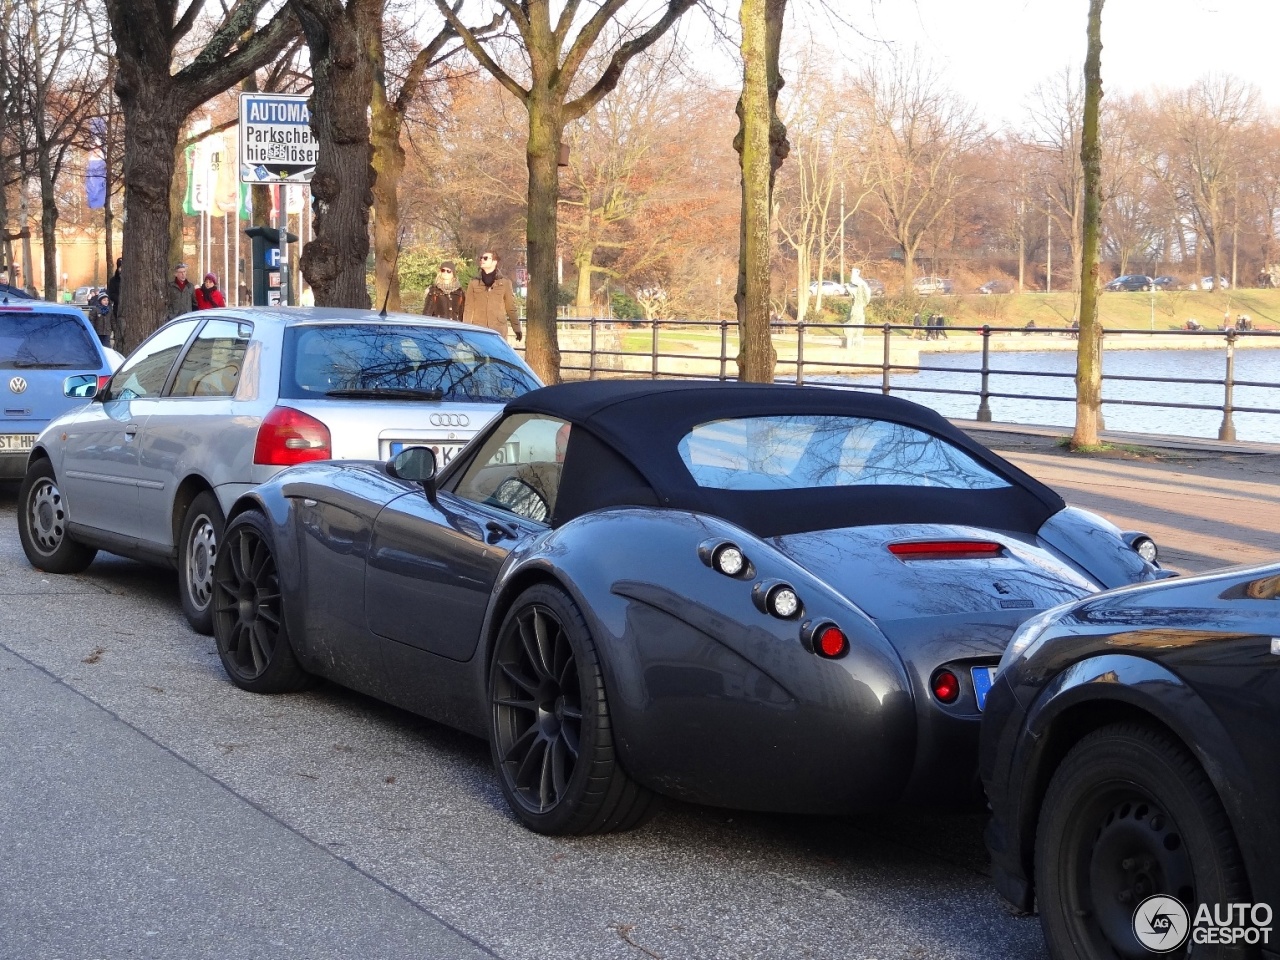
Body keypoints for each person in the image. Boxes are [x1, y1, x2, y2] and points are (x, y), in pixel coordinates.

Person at [463, 250, 521, 341]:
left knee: (497, 355)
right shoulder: (474, 283)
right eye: (481, 258)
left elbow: (510, 307)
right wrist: (466, 329)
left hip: (498, 330)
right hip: (479, 329)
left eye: (485, 258)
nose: (482, 260)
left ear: (494, 261)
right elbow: (468, 308)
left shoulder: (505, 283)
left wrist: (517, 329)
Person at [842, 267, 872, 348]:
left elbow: (857, 294)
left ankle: (854, 337)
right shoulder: (859, 285)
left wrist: (848, 287)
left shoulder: (860, 285)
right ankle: (852, 337)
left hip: (857, 309)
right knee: (854, 322)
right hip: (856, 308)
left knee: (854, 322)